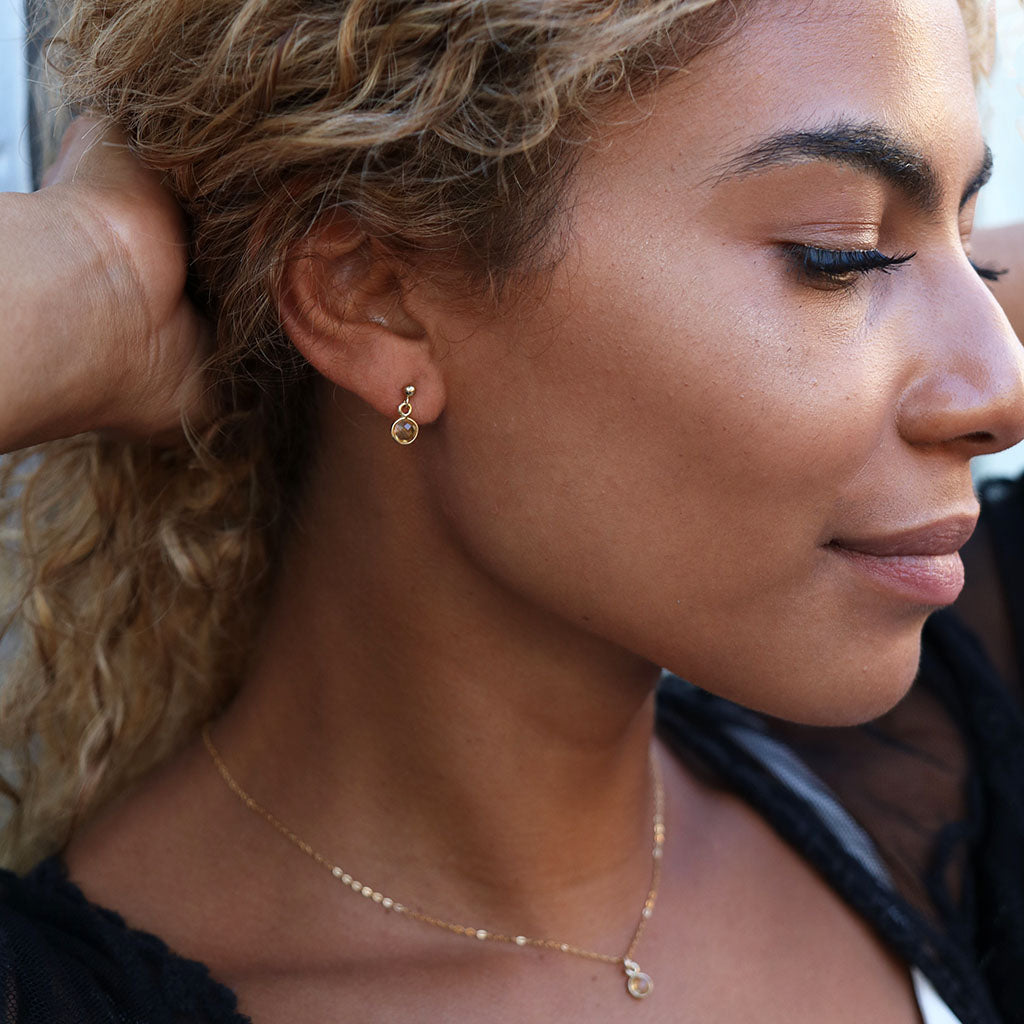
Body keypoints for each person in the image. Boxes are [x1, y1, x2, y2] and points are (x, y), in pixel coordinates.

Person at [1, 1, 1022, 1022]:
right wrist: (89, 281)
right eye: (837, 252)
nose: (998, 387)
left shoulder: (933, 790)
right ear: (373, 292)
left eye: (971, 249)